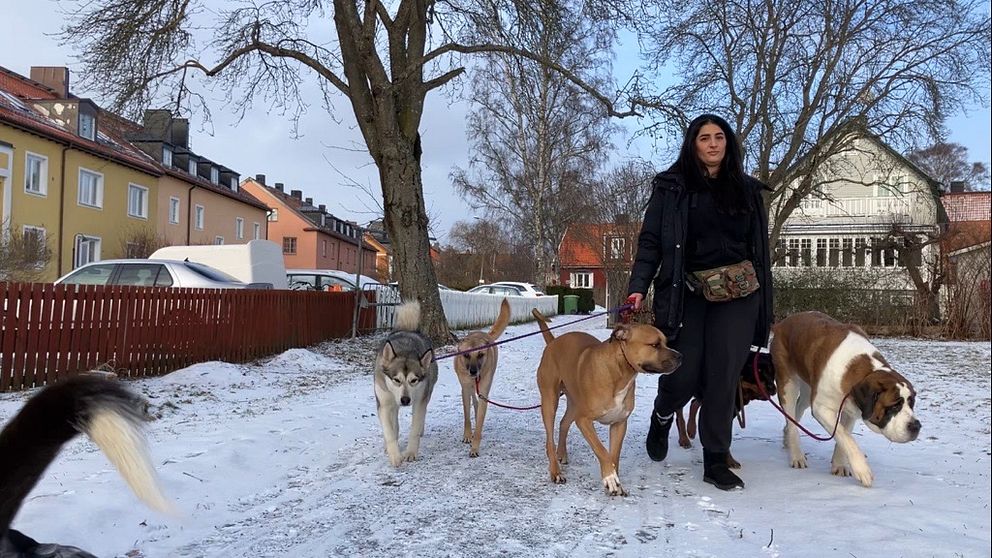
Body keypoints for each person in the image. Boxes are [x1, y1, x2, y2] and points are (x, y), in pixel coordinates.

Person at [626, 114, 773, 490]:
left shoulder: (747, 191)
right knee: (683, 373)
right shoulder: (672, 188)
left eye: (719, 137)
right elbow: (651, 242)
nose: (712, 144)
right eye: (704, 138)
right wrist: (638, 285)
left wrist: (764, 310)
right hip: (686, 292)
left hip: (739, 297)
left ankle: (715, 459)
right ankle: (662, 415)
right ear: (693, 144)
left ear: (728, 143)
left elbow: (760, 254)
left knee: (723, 376)